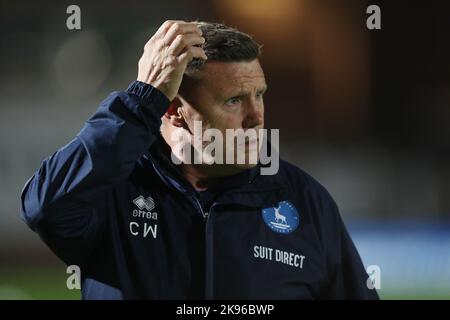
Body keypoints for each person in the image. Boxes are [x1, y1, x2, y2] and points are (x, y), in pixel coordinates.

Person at [20, 20, 378, 300]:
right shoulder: (117, 191)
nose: (257, 117)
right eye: (235, 100)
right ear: (174, 110)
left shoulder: (304, 201)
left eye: (260, 95)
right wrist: (142, 99)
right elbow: (45, 207)